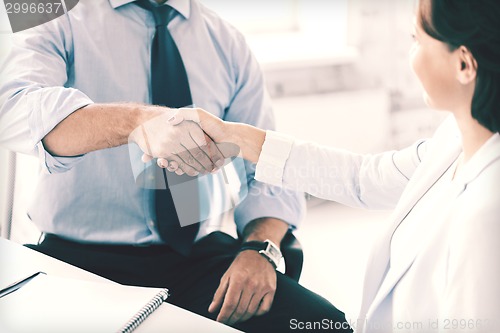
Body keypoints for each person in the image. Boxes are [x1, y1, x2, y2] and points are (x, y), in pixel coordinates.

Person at [0, 0, 352, 332]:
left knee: (327, 325)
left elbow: (269, 171)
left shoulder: (226, 41)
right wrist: (135, 122)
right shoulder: (58, 16)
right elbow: (15, 109)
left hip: (195, 258)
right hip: (75, 262)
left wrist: (261, 249)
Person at [165, 0, 500, 332]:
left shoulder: (487, 214)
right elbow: (362, 179)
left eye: (417, 40)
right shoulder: (453, 139)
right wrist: (234, 136)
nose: (409, 57)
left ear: (464, 65)